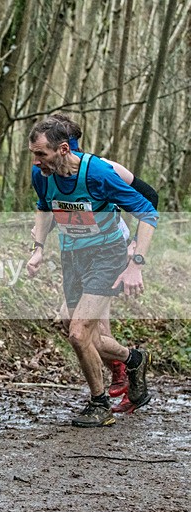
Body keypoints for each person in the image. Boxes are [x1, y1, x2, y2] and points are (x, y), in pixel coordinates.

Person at [26, 116, 158, 428]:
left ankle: (100, 405)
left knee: (77, 332)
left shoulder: (98, 172)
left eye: (40, 154)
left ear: (61, 149)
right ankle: (133, 360)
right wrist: (39, 248)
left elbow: (148, 211)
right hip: (72, 257)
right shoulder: (42, 174)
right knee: (87, 335)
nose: (35, 161)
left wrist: (135, 263)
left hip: (107, 255)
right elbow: (45, 208)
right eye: (32, 153)